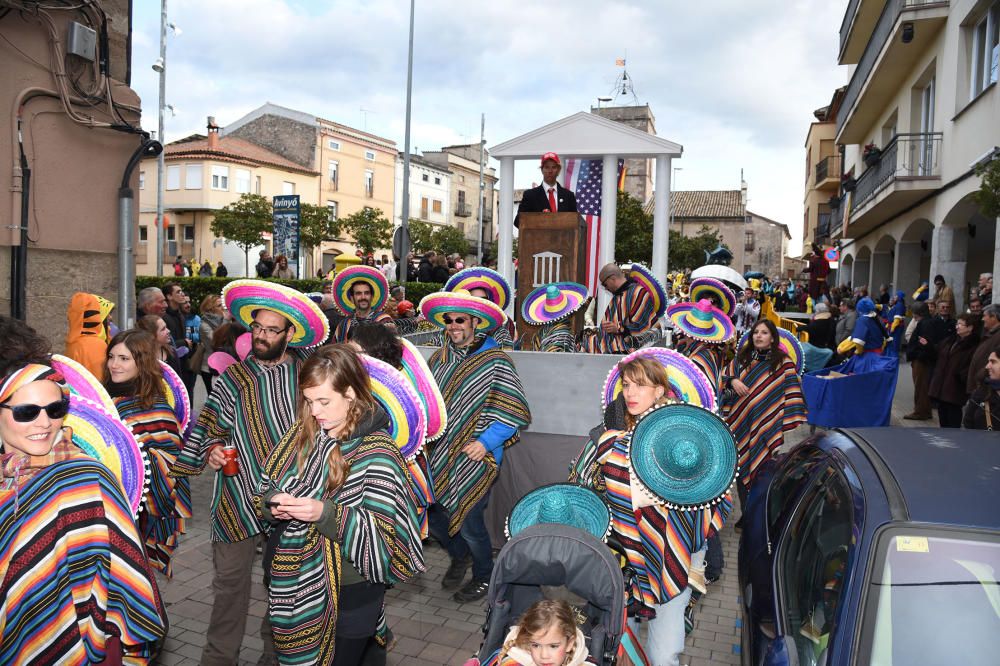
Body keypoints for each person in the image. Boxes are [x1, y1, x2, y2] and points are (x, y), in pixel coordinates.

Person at [170, 280, 328, 665]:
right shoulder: (232, 380)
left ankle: (275, 658)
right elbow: (212, 431)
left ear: (290, 333)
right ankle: (219, 659)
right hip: (235, 499)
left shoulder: (307, 378)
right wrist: (210, 453)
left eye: (272, 330)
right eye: (257, 327)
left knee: (284, 588)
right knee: (228, 588)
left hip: (291, 501)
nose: (261, 336)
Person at [259, 345, 424, 665]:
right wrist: (273, 505)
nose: (315, 411)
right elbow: (267, 486)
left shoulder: (379, 452)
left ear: (350, 393)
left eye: (323, 401)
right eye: (308, 401)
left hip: (353, 590)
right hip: (293, 582)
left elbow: (384, 536)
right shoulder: (304, 433)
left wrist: (324, 513)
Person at [0, 360, 168, 663]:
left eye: (54, 410)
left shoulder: (86, 479)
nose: (44, 423)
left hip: (73, 640)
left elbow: (124, 575)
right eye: (27, 412)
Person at [569, 356, 729, 666]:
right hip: (620, 556)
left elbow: (712, 495)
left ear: (659, 391)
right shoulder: (607, 431)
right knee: (615, 641)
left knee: (663, 653)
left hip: (672, 553)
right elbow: (580, 484)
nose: (631, 393)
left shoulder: (684, 438)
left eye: (640, 385)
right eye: (627, 385)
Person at [422, 291, 531, 603]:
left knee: (470, 523)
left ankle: (485, 575)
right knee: (436, 514)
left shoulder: (496, 360)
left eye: (460, 320)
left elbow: (513, 410)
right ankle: (460, 557)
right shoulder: (439, 358)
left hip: (476, 457)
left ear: (474, 323)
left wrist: (485, 443)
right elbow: (430, 403)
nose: (454, 326)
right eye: (449, 321)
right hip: (439, 453)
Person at [105, 329, 192, 576]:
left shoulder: (155, 405)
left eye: (124, 359)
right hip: (109, 501)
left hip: (140, 508)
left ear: (141, 362)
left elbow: (172, 465)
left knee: (131, 573)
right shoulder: (105, 395)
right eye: (111, 356)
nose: (114, 365)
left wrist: (136, 458)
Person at [722, 319, 807, 500]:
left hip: (767, 428)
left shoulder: (783, 363)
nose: (759, 336)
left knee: (762, 471)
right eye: (756, 332)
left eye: (764, 333)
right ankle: (746, 516)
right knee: (742, 466)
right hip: (741, 424)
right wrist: (732, 381)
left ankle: (757, 513)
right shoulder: (741, 359)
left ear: (773, 338)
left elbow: (794, 391)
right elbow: (722, 380)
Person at [577, 263, 657, 353]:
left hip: (625, 353)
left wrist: (619, 329)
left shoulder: (638, 293)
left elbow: (644, 327)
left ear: (613, 278)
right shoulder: (618, 295)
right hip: (611, 349)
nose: (605, 288)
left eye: (605, 284)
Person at [496, 599, 595, 666]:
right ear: (528, 640)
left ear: (569, 643)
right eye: (535, 645)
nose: (544, 656)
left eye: (553, 646)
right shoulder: (512, 661)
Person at [928, 313, 980, 428]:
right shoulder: (951, 340)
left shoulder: (973, 345)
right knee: (943, 418)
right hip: (942, 386)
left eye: (961, 324)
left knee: (953, 419)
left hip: (955, 388)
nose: (957, 326)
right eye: (957, 323)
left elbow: (972, 366)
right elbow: (938, 352)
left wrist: (961, 376)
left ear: (970, 327)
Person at [903, 301, 945, 421]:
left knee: (921, 387)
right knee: (923, 386)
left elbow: (924, 343)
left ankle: (920, 411)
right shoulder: (927, 322)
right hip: (922, 359)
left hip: (921, 360)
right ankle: (925, 411)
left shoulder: (925, 324)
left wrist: (917, 355)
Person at [331, 266, 394, 343]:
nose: (363, 297)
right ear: (352, 298)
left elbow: (392, 348)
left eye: (366, 293)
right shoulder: (344, 324)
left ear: (372, 297)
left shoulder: (384, 320)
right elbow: (336, 348)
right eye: (358, 293)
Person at [514, 152, 578, 227]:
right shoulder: (530, 195)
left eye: (553, 167)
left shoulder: (568, 195)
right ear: (542, 170)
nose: (550, 171)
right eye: (547, 167)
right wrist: (540, 220)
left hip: (563, 238)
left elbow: (575, 222)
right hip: (537, 238)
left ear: (558, 170)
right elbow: (518, 221)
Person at [64, 291, 115, 379]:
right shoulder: (95, 344)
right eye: (106, 313)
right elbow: (101, 381)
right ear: (95, 316)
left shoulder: (74, 341)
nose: (110, 317)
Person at [967, 304, 1000, 395]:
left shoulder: (997, 336)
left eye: (984, 316)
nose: (982, 319)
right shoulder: (989, 334)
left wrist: (981, 375)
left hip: (987, 387)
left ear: (994, 317)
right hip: (979, 386)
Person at [963, 350, 1000, 429]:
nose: (987, 366)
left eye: (993, 362)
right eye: (988, 361)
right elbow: (968, 423)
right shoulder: (981, 393)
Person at [199, 294, 226, 393]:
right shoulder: (204, 324)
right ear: (210, 309)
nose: (223, 308)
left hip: (225, 365)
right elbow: (216, 341)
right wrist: (226, 320)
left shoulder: (225, 320)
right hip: (209, 368)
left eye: (223, 305)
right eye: (219, 306)